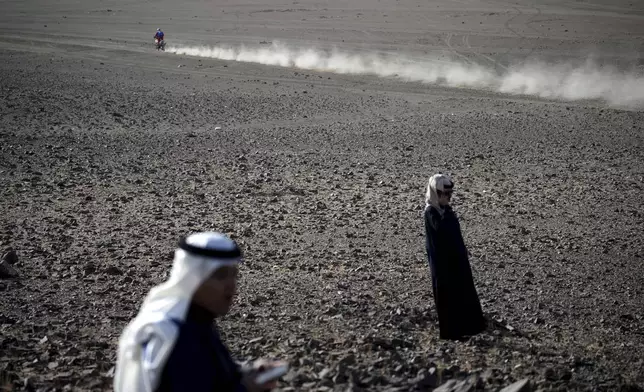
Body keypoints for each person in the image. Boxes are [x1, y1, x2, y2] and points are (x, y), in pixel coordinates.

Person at [114, 232, 284, 392]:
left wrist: (246, 374)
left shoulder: (197, 321)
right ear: (193, 279)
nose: (231, 286)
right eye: (220, 276)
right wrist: (245, 388)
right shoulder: (175, 335)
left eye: (234, 275)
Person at [423, 174, 486, 340]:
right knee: (446, 295)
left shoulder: (446, 211)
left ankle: (468, 328)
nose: (449, 198)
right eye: (446, 194)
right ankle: (451, 333)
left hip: (456, 260)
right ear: (437, 193)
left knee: (462, 292)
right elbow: (441, 232)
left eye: (451, 194)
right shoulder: (432, 212)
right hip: (443, 263)